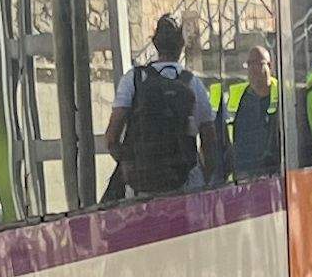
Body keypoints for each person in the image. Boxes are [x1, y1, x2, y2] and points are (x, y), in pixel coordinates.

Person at [106, 10, 213, 200]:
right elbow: (210, 139)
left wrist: (131, 167)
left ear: (155, 44)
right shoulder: (192, 83)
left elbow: (111, 138)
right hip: (185, 184)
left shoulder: (134, 79)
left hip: (141, 188)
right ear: (181, 45)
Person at [209, 42, 283, 176]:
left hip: (274, 173)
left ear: (270, 66)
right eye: (249, 64)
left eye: (258, 64)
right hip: (242, 172)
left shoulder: (283, 94)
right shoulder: (237, 96)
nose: (253, 69)